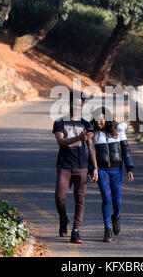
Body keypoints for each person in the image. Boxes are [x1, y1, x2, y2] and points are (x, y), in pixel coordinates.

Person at [52, 91, 99, 244]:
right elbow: (61, 142)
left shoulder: (86, 124)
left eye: (80, 104)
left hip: (82, 166)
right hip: (65, 165)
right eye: (74, 103)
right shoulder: (59, 122)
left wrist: (95, 168)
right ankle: (64, 218)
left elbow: (91, 147)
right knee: (59, 197)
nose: (77, 106)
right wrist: (79, 137)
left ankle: (76, 231)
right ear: (69, 104)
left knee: (80, 200)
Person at [90, 107, 134, 242]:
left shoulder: (118, 131)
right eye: (96, 119)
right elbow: (90, 154)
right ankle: (107, 229)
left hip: (116, 170)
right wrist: (93, 169)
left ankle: (116, 217)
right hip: (102, 170)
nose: (98, 122)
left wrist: (129, 168)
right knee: (106, 198)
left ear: (107, 119)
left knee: (117, 200)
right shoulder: (94, 134)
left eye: (101, 119)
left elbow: (125, 150)